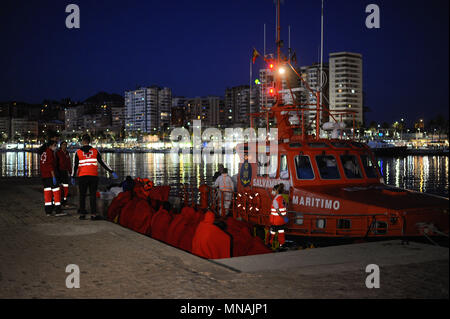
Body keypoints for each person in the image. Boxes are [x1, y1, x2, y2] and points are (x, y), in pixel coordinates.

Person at [72, 134, 118, 220]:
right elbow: (103, 163)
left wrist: (73, 176)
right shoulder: (95, 151)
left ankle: (82, 214)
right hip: (93, 176)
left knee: (82, 195)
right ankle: (93, 214)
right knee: (93, 195)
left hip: (82, 176)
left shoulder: (77, 152)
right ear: (89, 141)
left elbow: (75, 166)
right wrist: (111, 171)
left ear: (82, 141)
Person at [39, 140, 64, 216]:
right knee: (56, 192)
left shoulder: (43, 153)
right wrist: (54, 176)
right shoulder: (50, 153)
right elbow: (50, 165)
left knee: (47, 194)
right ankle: (58, 211)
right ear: (50, 146)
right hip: (50, 176)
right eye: (55, 145)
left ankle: (48, 212)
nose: (55, 147)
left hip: (44, 176)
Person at [268, 184, 288, 249]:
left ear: (276, 191)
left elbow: (278, 211)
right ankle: (282, 245)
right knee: (281, 232)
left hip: (275, 220)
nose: (272, 191)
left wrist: (282, 216)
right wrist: (285, 217)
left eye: (273, 190)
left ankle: (269, 244)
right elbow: (285, 208)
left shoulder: (275, 200)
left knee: (272, 232)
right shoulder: (283, 198)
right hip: (282, 221)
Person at [56, 141, 72, 206]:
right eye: (63, 145)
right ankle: (59, 200)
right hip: (60, 171)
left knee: (66, 186)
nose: (65, 146)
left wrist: (70, 172)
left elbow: (69, 163)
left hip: (65, 172)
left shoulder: (67, 153)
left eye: (66, 145)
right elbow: (56, 163)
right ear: (61, 146)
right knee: (60, 187)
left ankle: (65, 200)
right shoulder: (58, 153)